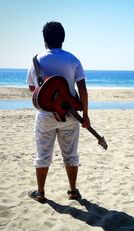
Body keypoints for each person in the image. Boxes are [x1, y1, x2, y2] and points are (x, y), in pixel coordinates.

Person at [26, 21, 90, 203]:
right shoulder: (72, 59)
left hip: (46, 115)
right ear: (63, 39)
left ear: (44, 39)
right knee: (70, 154)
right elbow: (83, 90)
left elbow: (34, 89)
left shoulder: (36, 60)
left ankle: (40, 192)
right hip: (69, 114)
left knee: (42, 154)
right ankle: (73, 191)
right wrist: (85, 116)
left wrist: (50, 101)